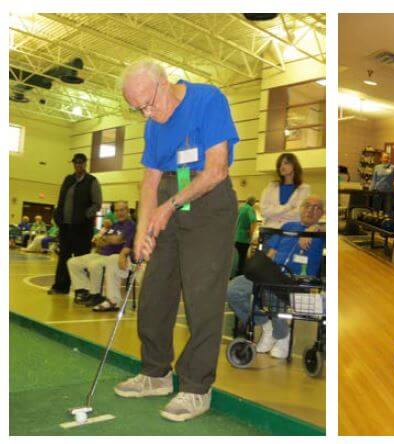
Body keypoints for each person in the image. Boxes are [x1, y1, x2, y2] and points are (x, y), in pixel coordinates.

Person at [114, 60, 240, 422]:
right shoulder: (152, 125)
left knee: (202, 296)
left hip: (207, 198)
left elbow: (217, 169)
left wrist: (169, 207)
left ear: (164, 82)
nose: (147, 113)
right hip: (168, 194)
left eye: (148, 103)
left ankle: (196, 388)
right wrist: (141, 232)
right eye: (137, 108)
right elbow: (150, 181)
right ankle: (155, 373)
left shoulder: (207, 99)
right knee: (154, 290)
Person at [226, 196, 325, 359]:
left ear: (322, 213)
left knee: (270, 289)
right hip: (272, 275)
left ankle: (282, 335)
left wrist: (313, 229)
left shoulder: (323, 233)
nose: (310, 210)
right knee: (234, 289)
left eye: (316, 207)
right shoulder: (287, 226)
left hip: (298, 282)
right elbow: (270, 254)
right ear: (301, 208)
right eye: (307, 205)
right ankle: (267, 326)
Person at [49, 153, 103, 295]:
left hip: (82, 229)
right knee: (63, 258)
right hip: (66, 227)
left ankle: (82, 290)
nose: (78, 165)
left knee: (81, 259)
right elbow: (61, 200)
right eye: (75, 163)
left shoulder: (92, 181)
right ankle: (60, 287)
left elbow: (97, 204)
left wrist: (85, 216)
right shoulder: (68, 179)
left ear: (85, 164)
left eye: (80, 163)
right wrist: (57, 215)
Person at [67, 201, 136, 311]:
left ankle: (97, 296)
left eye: (122, 210)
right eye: (117, 211)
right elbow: (99, 242)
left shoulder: (130, 225)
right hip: (102, 254)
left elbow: (116, 240)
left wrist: (106, 239)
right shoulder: (114, 225)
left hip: (117, 257)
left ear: (127, 210)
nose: (119, 213)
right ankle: (84, 291)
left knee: (94, 265)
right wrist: (107, 240)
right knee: (73, 262)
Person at [261, 153, 311, 237]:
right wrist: (288, 207)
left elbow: (299, 213)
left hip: (291, 234)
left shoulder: (304, 189)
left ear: (294, 165)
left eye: (286, 163)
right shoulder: (271, 187)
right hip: (270, 232)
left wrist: (274, 214)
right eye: (280, 164)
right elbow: (264, 211)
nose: (282, 166)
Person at [371, 152, 394, 218]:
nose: (386, 159)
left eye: (388, 158)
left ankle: (386, 222)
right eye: (385, 157)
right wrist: (371, 188)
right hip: (378, 190)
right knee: (376, 209)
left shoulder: (393, 167)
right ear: (381, 159)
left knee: (387, 210)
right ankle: (375, 221)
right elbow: (374, 178)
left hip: (389, 191)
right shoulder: (377, 167)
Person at [234, 196, 258, 276]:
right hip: (244, 239)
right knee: (242, 258)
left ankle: (233, 274)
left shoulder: (240, 208)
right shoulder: (250, 209)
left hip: (236, 237)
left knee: (236, 257)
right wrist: (251, 234)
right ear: (253, 203)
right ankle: (240, 275)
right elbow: (254, 222)